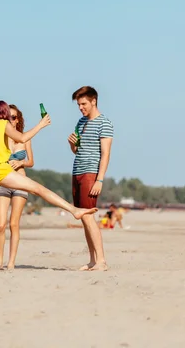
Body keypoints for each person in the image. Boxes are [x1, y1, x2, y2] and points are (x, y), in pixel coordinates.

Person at [0, 100, 98, 275]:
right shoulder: (3, 125)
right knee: (37, 188)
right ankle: (73, 210)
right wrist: (41, 124)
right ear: (3, 114)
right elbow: (23, 138)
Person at [67, 86, 113, 271]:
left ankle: (101, 261)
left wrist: (99, 179)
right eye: (79, 104)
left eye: (83, 104)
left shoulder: (104, 123)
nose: (81, 107)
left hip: (90, 174)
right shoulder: (81, 122)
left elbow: (106, 153)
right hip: (77, 171)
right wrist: (71, 145)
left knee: (88, 216)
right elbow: (77, 151)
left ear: (94, 101)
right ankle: (93, 260)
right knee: (83, 217)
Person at [0, 104, 34, 271]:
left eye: (14, 117)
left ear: (19, 120)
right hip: (4, 181)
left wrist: (21, 162)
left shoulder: (25, 138)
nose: (11, 120)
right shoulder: (1, 137)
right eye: (9, 117)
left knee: (14, 224)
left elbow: (31, 161)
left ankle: (11, 262)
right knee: (1, 224)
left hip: (21, 182)